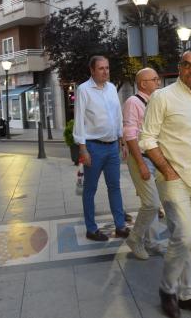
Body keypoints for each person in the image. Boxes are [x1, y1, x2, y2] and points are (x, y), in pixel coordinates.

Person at [140, 49, 191, 318]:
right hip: (173, 178)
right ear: (180, 67)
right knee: (183, 236)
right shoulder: (162, 97)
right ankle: (167, 290)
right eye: (187, 65)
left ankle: (188, 294)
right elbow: (147, 139)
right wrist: (166, 169)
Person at [73, 55, 130, 241]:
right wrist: (83, 149)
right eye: (101, 68)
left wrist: (122, 140)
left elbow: (118, 115)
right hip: (93, 147)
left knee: (115, 187)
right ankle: (91, 229)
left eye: (107, 68)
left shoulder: (112, 88)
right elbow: (79, 120)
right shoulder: (83, 90)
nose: (105, 71)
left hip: (112, 146)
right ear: (92, 70)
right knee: (90, 189)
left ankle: (120, 226)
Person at [123, 67, 165, 260]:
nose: (158, 82)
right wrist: (140, 164)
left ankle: (152, 243)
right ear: (143, 84)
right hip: (141, 158)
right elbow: (130, 135)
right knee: (151, 204)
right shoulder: (133, 102)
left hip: (156, 158)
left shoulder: (156, 101)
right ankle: (135, 238)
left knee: (155, 204)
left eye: (157, 79)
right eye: (154, 79)